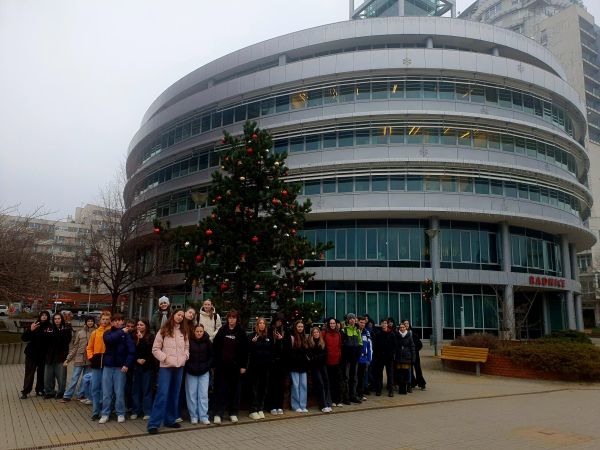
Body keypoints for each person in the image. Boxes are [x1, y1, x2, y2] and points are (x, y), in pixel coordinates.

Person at [148, 310, 189, 434]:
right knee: (162, 394)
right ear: (173, 315)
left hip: (179, 367)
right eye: (178, 315)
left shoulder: (184, 331)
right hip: (166, 367)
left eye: (182, 316)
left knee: (174, 394)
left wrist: (185, 357)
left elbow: (187, 347)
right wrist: (164, 358)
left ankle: (170, 420)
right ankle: (153, 424)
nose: (180, 317)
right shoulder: (163, 330)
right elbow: (155, 349)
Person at [212, 310, 248, 424]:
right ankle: (218, 413)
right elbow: (215, 348)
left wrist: (243, 365)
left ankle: (233, 413)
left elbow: (245, 351)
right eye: (230, 318)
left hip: (235, 367)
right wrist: (215, 363)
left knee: (235, 391)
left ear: (237, 319)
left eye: (234, 318)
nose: (232, 320)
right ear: (227, 319)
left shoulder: (241, 332)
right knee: (220, 390)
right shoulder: (222, 330)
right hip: (222, 367)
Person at [99, 314, 136, 424]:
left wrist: (127, 364)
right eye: (115, 321)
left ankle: (120, 413)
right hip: (108, 366)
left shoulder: (127, 335)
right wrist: (122, 332)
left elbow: (132, 351)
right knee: (106, 392)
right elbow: (110, 340)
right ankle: (105, 413)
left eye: (119, 320)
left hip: (120, 368)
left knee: (119, 392)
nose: (117, 322)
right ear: (111, 322)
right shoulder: (108, 333)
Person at [61, 315, 96, 402]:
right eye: (88, 321)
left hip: (90, 359)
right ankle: (67, 395)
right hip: (79, 358)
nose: (90, 322)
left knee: (85, 379)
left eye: (91, 321)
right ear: (86, 322)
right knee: (74, 378)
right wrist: (68, 359)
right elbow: (75, 347)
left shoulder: (96, 332)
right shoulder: (80, 333)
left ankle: (81, 395)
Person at [185, 324, 213, 425]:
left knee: (203, 395)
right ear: (194, 331)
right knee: (191, 395)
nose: (199, 333)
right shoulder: (189, 341)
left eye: (201, 331)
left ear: (203, 331)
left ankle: (203, 416)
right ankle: (194, 416)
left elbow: (211, 357)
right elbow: (186, 355)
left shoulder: (208, 342)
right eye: (197, 331)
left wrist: (206, 366)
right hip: (191, 372)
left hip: (204, 372)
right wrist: (189, 367)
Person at [20, 311, 51, 399]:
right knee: (29, 373)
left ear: (48, 317)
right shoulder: (35, 325)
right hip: (32, 354)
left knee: (41, 373)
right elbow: (24, 338)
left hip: (43, 355)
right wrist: (30, 330)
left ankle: (40, 390)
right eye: (42, 315)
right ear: (40, 316)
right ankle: (25, 391)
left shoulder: (50, 327)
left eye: (46, 315)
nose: (44, 317)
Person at [86, 312, 111, 420]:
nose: (105, 321)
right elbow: (89, 347)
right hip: (96, 363)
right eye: (103, 319)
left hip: (107, 363)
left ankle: (105, 410)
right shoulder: (95, 333)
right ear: (100, 320)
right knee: (95, 388)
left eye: (107, 319)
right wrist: (91, 357)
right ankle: (96, 411)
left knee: (106, 389)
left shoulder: (111, 332)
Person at [247, 317, 273, 420]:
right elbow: (247, 351)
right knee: (254, 389)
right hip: (254, 367)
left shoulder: (269, 337)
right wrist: (251, 343)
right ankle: (252, 409)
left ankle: (260, 408)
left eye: (263, 323)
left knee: (263, 388)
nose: (262, 325)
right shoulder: (251, 336)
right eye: (260, 323)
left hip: (265, 367)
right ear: (257, 325)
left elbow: (272, 351)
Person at [130, 319, 156, 420]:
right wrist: (137, 359)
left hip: (147, 366)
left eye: (141, 325)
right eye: (138, 325)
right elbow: (132, 350)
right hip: (136, 365)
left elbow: (151, 351)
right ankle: (135, 410)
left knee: (147, 389)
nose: (139, 326)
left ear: (146, 326)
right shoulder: (133, 336)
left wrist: (142, 340)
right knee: (135, 389)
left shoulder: (150, 337)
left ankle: (147, 411)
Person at [44, 312, 73, 399]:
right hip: (50, 356)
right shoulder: (49, 328)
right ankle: (49, 392)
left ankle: (61, 392)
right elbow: (47, 341)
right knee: (48, 377)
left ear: (61, 319)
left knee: (61, 377)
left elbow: (66, 341)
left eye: (59, 318)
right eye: (55, 319)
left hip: (61, 356)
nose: (57, 320)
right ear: (53, 320)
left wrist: (58, 334)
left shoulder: (66, 329)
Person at [266, 313, 288, 416]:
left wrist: (281, 340)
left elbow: (287, 347)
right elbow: (269, 346)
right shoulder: (270, 330)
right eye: (278, 320)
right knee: (272, 385)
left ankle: (279, 405)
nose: (279, 322)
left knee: (280, 385)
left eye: (281, 321)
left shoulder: (285, 331)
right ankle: (271, 406)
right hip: (272, 362)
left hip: (282, 362)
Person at [308, 326, 332, 413]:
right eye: (314, 332)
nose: (316, 334)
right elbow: (311, 357)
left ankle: (328, 403)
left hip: (323, 366)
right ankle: (322, 405)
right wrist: (318, 357)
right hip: (315, 367)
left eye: (317, 332)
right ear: (312, 334)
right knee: (320, 384)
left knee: (326, 383)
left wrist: (318, 357)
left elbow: (325, 355)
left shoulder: (322, 342)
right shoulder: (310, 343)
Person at [340, 313, 362, 404]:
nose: (352, 320)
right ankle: (346, 397)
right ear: (348, 320)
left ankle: (353, 395)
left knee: (354, 377)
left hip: (355, 358)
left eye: (353, 318)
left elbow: (360, 343)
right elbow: (341, 345)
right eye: (350, 318)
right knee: (346, 377)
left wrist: (358, 353)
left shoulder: (357, 330)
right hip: (347, 359)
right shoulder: (344, 330)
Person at [288, 320, 309, 413]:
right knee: (295, 386)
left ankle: (303, 405)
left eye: (302, 326)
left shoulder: (305, 337)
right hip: (294, 365)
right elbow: (290, 352)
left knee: (303, 385)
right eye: (299, 326)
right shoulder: (292, 337)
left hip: (303, 365)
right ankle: (295, 405)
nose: (300, 328)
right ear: (295, 327)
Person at [371, 318, 396, 397]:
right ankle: (379, 390)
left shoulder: (392, 334)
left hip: (389, 358)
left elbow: (395, 345)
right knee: (379, 374)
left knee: (390, 374)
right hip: (380, 358)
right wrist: (377, 355)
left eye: (385, 323)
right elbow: (375, 346)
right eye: (383, 323)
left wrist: (392, 354)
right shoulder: (378, 334)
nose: (384, 324)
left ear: (387, 324)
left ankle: (391, 390)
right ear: (381, 324)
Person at [322, 317, 343, 407]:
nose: (332, 325)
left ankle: (337, 400)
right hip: (328, 362)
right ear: (328, 324)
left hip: (336, 361)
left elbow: (339, 347)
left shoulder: (338, 334)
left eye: (333, 323)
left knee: (336, 382)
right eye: (331, 323)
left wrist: (339, 356)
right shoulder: (324, 333)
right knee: (329, 382)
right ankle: (330, 400)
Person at [403, 319, 426, 390]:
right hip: (407, 355)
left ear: (409, 324)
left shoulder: (413, 333)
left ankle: (422, 383)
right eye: (405, 323)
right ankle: (412, 383)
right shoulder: (402, 334)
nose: (406, 325)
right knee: (410, 370)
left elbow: (420, 344)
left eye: (407, 323)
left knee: (417, 369)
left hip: (415, 355)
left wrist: (415, 351)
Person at [395, 322, 415, 395]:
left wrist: (413, 358)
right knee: (399, 374)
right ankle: (401, 389)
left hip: (406, 358)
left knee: (406, 373)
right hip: (398, 358)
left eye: (403, 327)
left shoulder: (409, 336)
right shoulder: (397, 336)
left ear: (405, 328)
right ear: (399, 328)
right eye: (401, 327)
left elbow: (412, 347)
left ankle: (405, 389)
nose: (402, 328)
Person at [356, 316, 372, 400]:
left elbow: (369, 347)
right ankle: (354, 394)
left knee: (362, 377)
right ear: (358, 322)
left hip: (364, 359)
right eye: (361, 322)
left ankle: (360, 394)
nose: (362, 324)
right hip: (355, 359)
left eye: (364, 323)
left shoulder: (367, 332)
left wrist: (369, 358)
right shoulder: (355, 331)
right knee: (355, 377)